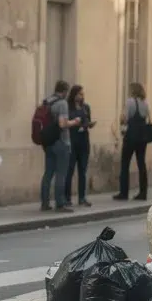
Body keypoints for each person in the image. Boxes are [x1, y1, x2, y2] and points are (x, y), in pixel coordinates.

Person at [40, 80, 79, 212]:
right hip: (61, 142)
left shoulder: (47, 101)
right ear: (64, 91)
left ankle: (44, 203)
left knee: (48, 173)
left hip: (48, 142)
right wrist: (74, 122)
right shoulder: (62, 103)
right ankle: (60, 203)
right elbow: (62, 124)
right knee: (61, 173)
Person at [115, 81, 151, 201]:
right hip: (142, 137)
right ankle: (143, 192)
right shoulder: (145, 103)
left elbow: (124, 118)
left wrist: (121, 121)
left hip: (131, 136)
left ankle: (123, 192)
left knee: (125, 163)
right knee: (141, 164)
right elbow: (147, 118)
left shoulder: (130, 102)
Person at [63, 84, 95, 206]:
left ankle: (82, 198)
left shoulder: (86, 107)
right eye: (79, 94)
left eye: (82, 94)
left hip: (83, 140)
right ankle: (67, 197)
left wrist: (88, 124)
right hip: (72, 140)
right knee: (69, 170)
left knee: (82, 170)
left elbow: (87, 120)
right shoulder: (68, 107)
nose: (81, 96)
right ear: (74, 94)